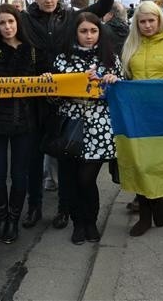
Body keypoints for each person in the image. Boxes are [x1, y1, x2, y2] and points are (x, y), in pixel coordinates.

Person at [0, 0, 119, 230]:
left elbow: (102, 7)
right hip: (35, 100)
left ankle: (64, 209)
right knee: (32, 157)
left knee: (65, 156)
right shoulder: (24, 19)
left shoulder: (71, 17)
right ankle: (34, 206)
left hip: (65, 100)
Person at [0, 4, 47, 244]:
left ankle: (14, 220)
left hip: (25, 123)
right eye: (2, 23)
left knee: (19, 174)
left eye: (11, 22)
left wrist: (46, 78)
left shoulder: (33, 51)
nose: (7, 27)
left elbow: (46, 81)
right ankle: (2, 219)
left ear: (18, 23)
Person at [52, 12, 121, 244]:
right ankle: (78, 224)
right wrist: (51, 83)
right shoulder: (63, 59)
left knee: (87, 179)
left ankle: (91, 221)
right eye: (84, 31)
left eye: (93, 31)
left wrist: (112, 82)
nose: (89, 36)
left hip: (99, 129)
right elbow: (54, 97)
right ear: (75, 33)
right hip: (71, 126)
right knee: (71, 178)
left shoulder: (110, 58)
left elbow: (121, 93)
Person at [121, 1, 163, 236]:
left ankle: (158, 200)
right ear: (136, 24)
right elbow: (125, 78)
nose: (147, 25)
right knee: (139, 163)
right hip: (137, 115)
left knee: (158, 163)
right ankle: (145, 214)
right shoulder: (130, 46)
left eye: (151, 20)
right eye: (143, 21)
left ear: (159, 21)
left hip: (162, 115)